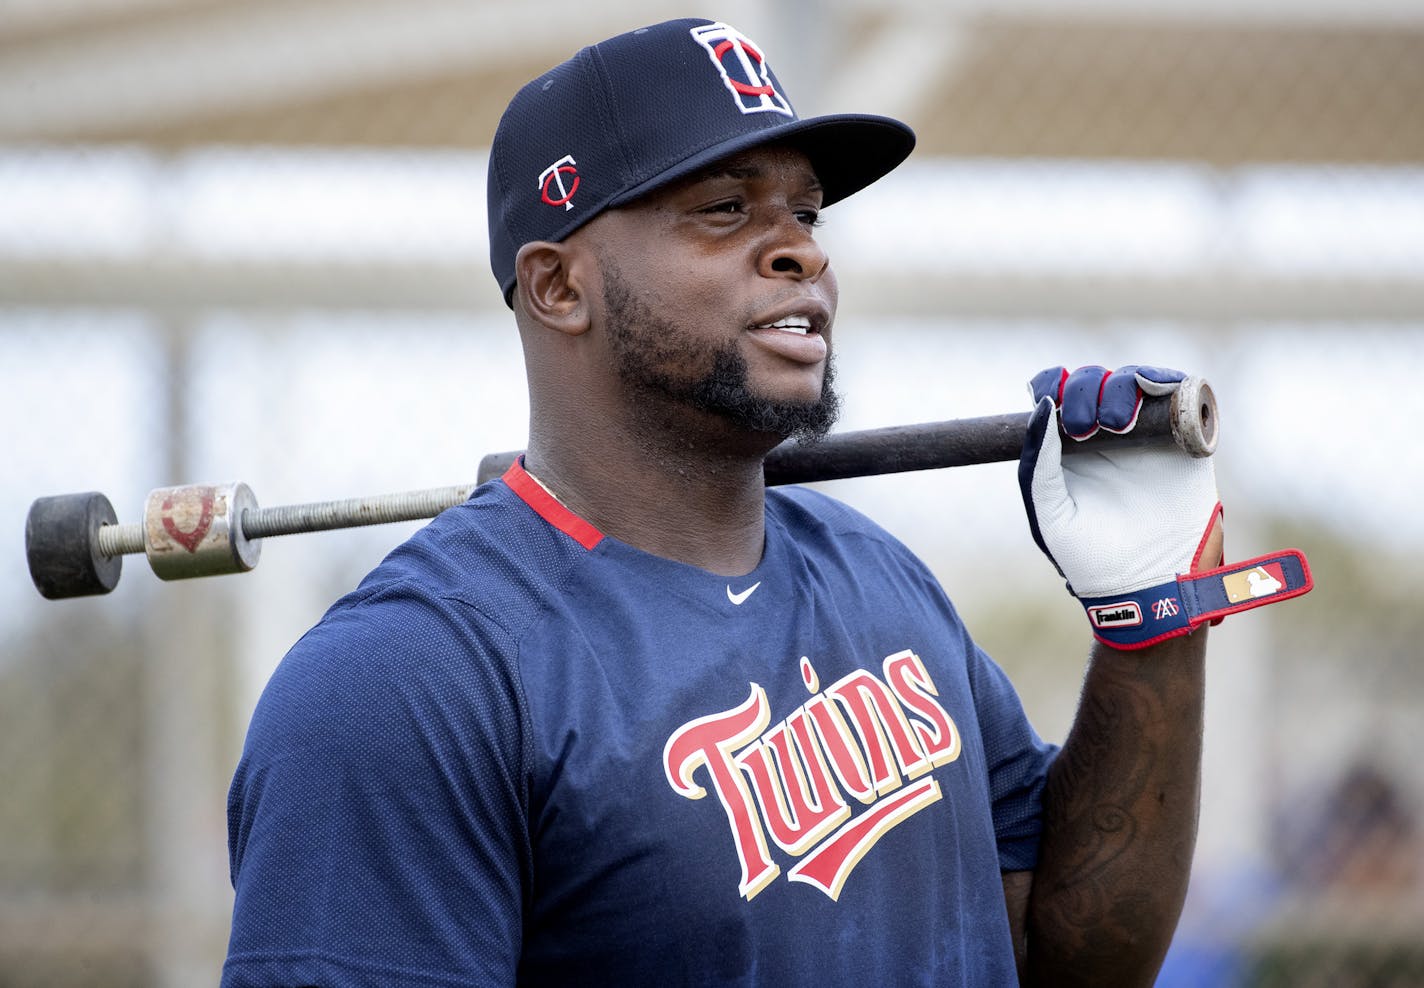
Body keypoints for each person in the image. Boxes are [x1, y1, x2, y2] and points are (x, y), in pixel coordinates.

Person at [223, 17, 1309, 987]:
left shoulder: (876, 575)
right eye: (723, 209)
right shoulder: (402, 682)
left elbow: (1066, 959)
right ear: (559, 286)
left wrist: (1150, 629)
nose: (799, 249)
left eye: (803, 209)